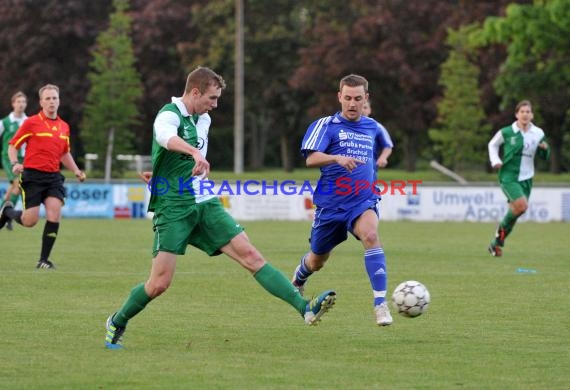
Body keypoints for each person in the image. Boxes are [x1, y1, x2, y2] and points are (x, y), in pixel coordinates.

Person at [103, 66, 336, 349]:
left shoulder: (204, 120)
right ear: (195, 92)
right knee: (158, 284)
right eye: (212, 98)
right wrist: (189, 155)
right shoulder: (168, 113)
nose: (215, 105)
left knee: (251, 255)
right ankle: (117, 320)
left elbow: (187, 160)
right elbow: (165, 138)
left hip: (204, 202)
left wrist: (181, 166)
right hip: (174, 207)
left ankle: (305, 308)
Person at [290, 74, 394, 326]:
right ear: (339, 97)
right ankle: (299, 279)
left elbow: (383, 149)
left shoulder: (372, 127)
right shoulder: (326, 125)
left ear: (366, 99)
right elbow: (310, 159)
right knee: (317, 260)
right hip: (331, 205)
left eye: (358, 98)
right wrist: (336, 158)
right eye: (347, 98)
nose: (352, 103)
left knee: (370, 236)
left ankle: (380, 304)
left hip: (363, 200)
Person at [0, 84, 86, 269]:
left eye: (54, 98)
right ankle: (7, 212)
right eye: (47, 98)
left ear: (59, 100)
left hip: (54, 177)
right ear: (41, 102)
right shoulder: (31, 122)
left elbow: (64, 153)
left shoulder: (64, 127)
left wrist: (77, 170)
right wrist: (15, 163)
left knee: (55, 214)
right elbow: (12, 145)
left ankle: (43, 260)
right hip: (32, 176)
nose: (51, 101)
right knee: (30, 221)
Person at [487, 100, 549, 257]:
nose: (525, 114)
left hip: (527, 178)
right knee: (521, 206)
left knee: (516, 211)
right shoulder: (507, 132)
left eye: (528, 112)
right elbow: (492, 144)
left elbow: (544, 155)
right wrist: (495, 161)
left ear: (532, 115)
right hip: (508, 176)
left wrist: (545, 149)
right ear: (516, 115)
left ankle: (496, 244)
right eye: (522, 112)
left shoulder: (538, 133)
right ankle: (497, 239)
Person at [0, 91, 28, 231]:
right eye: (18, 102)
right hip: (8, 158)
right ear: (13, 104)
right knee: (18, 184)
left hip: (23, 159)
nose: (21, 104)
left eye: (23, 102)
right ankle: (8, 215)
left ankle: (4, 214)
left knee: (13, 188)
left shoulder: (28, 121)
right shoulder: (5, 122)